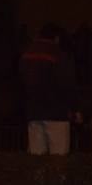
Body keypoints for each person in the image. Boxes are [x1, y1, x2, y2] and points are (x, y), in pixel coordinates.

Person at [18, 23, 76, 156]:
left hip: (34, 112)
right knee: (58, 159)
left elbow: (21, 82)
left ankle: (38, 177)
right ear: (57, 38)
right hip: (56, 113)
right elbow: (67, 83)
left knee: (36, 158)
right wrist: (74, 108)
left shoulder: (27, 53)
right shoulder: (58, 54)